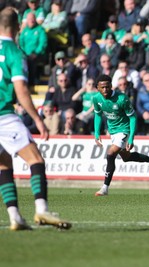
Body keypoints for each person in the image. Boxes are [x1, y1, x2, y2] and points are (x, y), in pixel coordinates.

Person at [0, 7, 71, 230]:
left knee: (3, 166)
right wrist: (37, 119)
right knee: (36, 160)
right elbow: (20, 89)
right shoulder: (14, 51)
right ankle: (41, 211)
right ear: (18, 27)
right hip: (3, 116)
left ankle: (15, 217)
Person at [93, 74, 149, 196]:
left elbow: (133, 117)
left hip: (124, 129)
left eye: (107, 87)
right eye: (102, 87)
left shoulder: (122, 98)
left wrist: (131, 138)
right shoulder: (96, 99)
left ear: (111, 86)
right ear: (97, 88)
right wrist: (97, 133)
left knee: (110, 154)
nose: (105, 90)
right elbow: (98, 115)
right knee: (126, 157)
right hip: (113, 131)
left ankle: (105, 188)